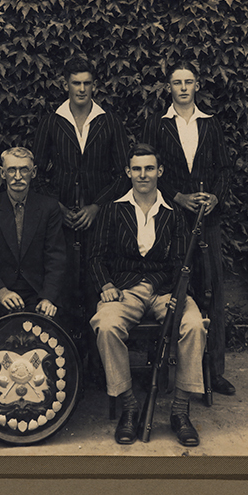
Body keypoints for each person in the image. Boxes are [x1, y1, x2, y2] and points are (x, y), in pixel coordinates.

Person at [89, 143, 208, 446]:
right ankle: (129, 405)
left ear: (160, 172)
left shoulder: (174, 214)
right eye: (137, 169)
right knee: (105, 325)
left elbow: (182, 261)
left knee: (194, 325)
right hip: (124, 290)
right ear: (129, 172)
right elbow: (96, 256)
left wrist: (177, 297)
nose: (144, 175)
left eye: (150, 168)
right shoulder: (113, 210)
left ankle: (180, 411)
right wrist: (105, 285)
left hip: (165, 290)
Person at [142, 60, 235, 397]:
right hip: (170, 219)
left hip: (206, 221)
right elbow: (149, 171)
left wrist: (214, 197)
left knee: (212, 290)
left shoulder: (210, 125)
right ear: (169, 87)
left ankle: (215, 371)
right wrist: (177, 197)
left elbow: (224, 170)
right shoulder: (157, 124)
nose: (183, 87)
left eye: (189, 81)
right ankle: (167, 370)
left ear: (197, 85)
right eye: (177, 82)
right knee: (174, 290)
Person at [32, 56, 130, 332]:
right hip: (60, 220)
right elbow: (36, 173)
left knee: (94, 285)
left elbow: (124, 174)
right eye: (76, 83)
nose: (82, 89)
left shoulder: (109, 121)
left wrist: (96, 207)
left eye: (87, 83)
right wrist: (58, 207)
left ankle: (94, 362)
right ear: (66, 85)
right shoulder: (51, 121)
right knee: (61, 283)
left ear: (94, 86)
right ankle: (65, 353)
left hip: (100, 220)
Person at [0, 147, 68, 332]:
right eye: (11, 170)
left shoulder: (48, 208)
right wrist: (1, 291)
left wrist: (48, 297)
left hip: (37, 292)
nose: (18, 176)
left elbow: (56, 257)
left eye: (24, 170)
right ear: (2, 173)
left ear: (34, 172)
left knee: (52, 333)